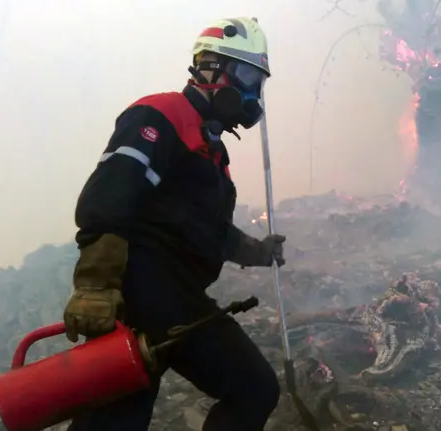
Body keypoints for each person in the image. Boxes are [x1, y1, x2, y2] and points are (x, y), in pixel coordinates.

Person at [62, 17, 284, 431]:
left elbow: (208, 232)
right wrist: (95, 285)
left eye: (259, 83)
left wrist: (260, 252)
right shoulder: (162, 114)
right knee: (115, 421)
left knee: (253, 389)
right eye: (248, 76)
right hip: (139, 294)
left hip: (181, 300)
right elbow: (110, 194)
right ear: (209, 66)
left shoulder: (212, 151)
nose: (253, 94)